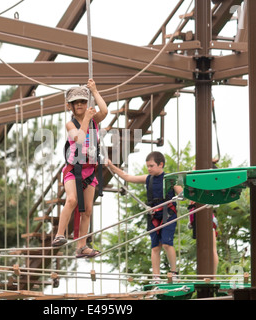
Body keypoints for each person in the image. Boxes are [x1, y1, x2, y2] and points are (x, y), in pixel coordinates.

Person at [52, 79, 108, 259]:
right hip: (73, 170)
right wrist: (87, 120)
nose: (80, 105)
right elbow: (78, 138)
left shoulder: (94, 120)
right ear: (70, 106)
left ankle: (82, 245)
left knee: (88, 210)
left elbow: (105, 111)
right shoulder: (70, 125)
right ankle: (60, 234)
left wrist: (95, 91)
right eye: (76, 102)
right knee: (72, 200)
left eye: (83, 102)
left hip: (90, 171)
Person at [106, 151, 183, 282]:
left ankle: (174, 272)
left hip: (168, 213)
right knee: (155, 246)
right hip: (153, 214)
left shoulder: (171, 179)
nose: (149, 168)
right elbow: (127, 177)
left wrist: (181, 196)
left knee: (166, 243)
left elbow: (182, 193)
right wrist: (111, 166)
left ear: (161, 165)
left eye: (151, 166)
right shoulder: (148, 178)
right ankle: (156, 276)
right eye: (148, 166)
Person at [188, 160, 220, 276]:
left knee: (211, 249)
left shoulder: (204, 183)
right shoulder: (195, 181)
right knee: (204, 248)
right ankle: (207, 273)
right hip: (197, 216)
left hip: (206, 216)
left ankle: (213, 276)